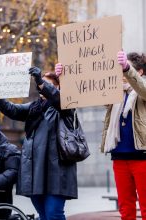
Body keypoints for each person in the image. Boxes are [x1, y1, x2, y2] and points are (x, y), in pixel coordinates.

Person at [55, 51, 146, 220]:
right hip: (119, 157)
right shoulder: (115, 93)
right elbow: (87, 91)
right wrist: (64, 79)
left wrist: (127, 68)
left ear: (139, 72)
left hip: (142, 158)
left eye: (126, 70)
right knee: (126, 208)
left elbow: (141, 88)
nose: (121, 74)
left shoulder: (142, 90)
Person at [0, 68, 78, 220]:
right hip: (35, 172)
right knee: (43, 215)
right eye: (41, 83)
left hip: (56, 172)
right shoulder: (34, 107)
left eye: (48, 84)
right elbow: (11, 109)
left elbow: (57, 99)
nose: (42, 87)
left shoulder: (66, 106)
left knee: (54, 214)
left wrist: (40, 82)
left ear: (58, 88)